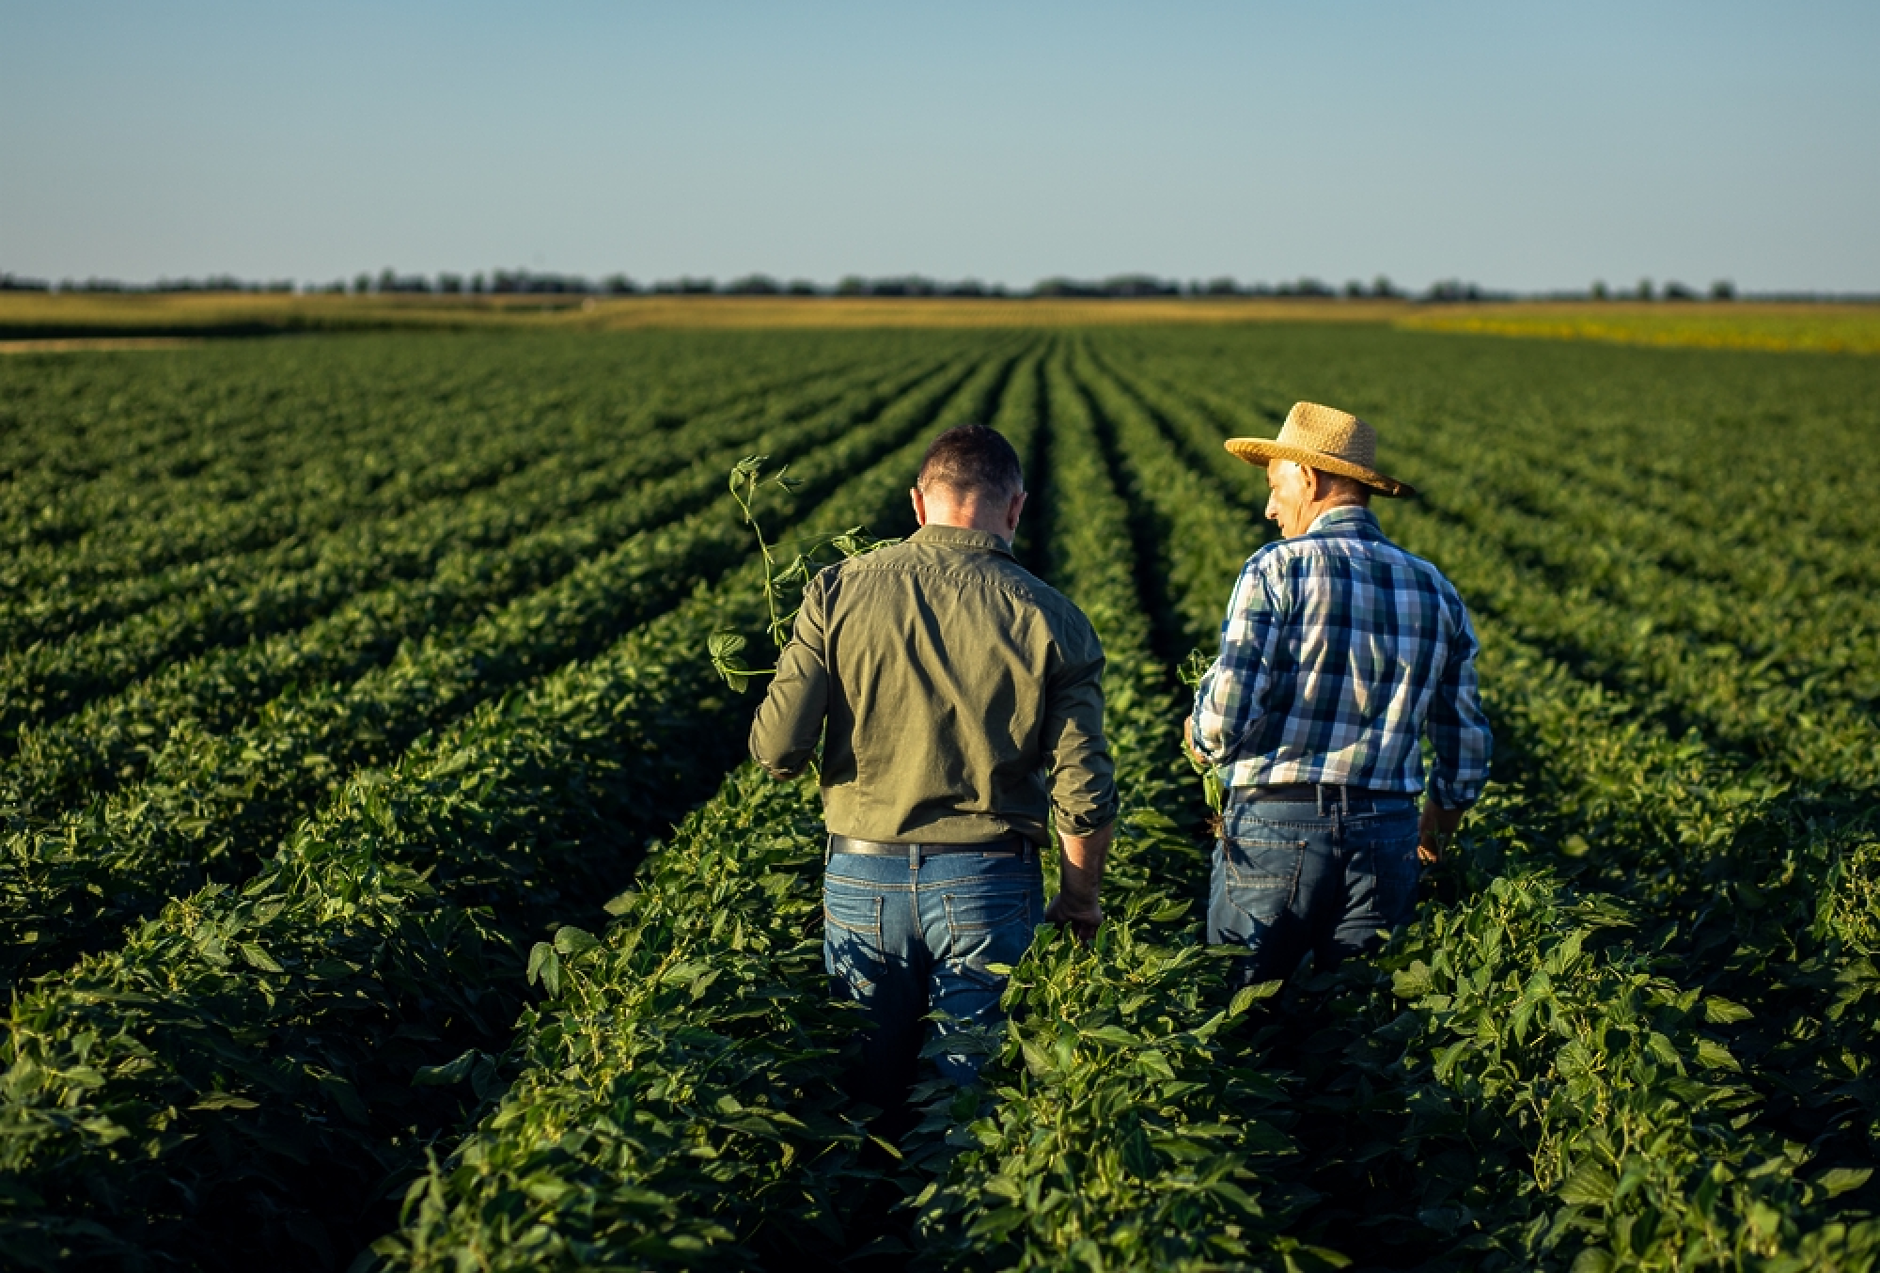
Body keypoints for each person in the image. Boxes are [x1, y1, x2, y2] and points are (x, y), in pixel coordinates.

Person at [750, 424, 1117, 1110]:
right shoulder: (1053, 617)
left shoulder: (836, 590)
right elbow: (1084, 789)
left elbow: (777, 749)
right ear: (1016, 507)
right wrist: (1079, 898)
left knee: (865, 1100)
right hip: (989, 881)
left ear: (919, 502)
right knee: (968, 1104)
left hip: (862, 876)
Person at [1186, 402, 1491, 987]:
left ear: (1310, 478)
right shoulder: (1434, 586)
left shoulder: (1276, 569)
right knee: (1360, 1020)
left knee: (1247, 1013)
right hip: (1387, 833)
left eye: (1275, 487)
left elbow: (1222, 723)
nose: (1270, 507)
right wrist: (1431, 835)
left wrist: (1198, 738)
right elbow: (1466, 748)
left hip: (1275, 825)